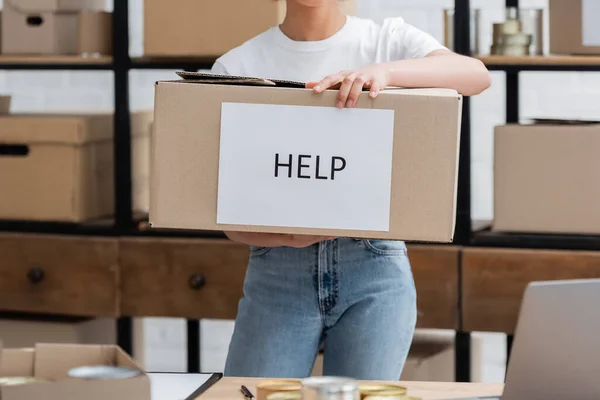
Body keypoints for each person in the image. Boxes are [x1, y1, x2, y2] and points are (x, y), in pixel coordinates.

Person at [211, 0, 491, 380]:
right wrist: (287, 237)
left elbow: (474, 75)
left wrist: (384, 73)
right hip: (277, 274)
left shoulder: (386, 41)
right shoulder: (237, 67)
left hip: (375, 271)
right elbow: (228, 214)